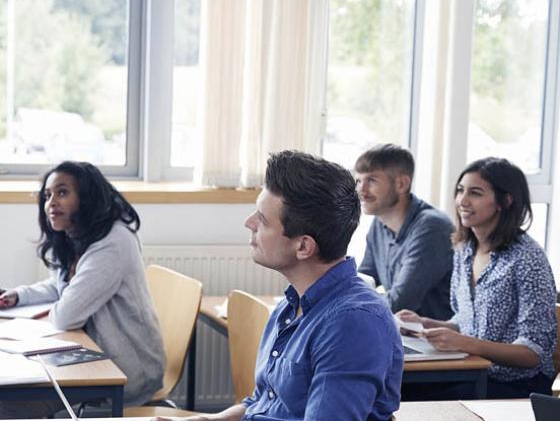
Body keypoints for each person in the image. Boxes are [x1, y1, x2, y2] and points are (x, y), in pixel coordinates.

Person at [163, 150, 403, 421]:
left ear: (303, 246)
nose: (248, 223)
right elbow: (264, 401)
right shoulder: (291, 305)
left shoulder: (352, 324)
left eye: (262, 220)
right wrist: (212, 420)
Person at [0, 161, 164, 417]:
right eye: (48, 195)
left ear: (86, 199)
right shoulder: (79, 234)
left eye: (62, 192)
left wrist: (58, 305)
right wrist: (19, 295)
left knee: (10, 405)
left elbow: (66, 315)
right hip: (94, 355)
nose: (51, 202)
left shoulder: (113, 242)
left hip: (127, 370)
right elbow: (61, 285)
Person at [397, 157, 557, 399]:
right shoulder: (464, 250)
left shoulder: (527, 258)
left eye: (476, 193)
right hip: (472, 374)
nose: (462, 200)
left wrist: (465, 343)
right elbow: (467, 321)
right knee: (389, 388)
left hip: (515, 386)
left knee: (405, 396)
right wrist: (426, 323)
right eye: (460, 191)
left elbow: (532, 353)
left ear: (505, 201)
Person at [355, 144, 454, 320]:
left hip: (433, 340)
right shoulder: (379, 222)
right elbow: (362, 283)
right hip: (403, 333)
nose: (361, 191)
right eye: (359, 181)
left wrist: (351, 306)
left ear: (402, 184)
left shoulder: (431, 227)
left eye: (371, 180)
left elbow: (400, 302)